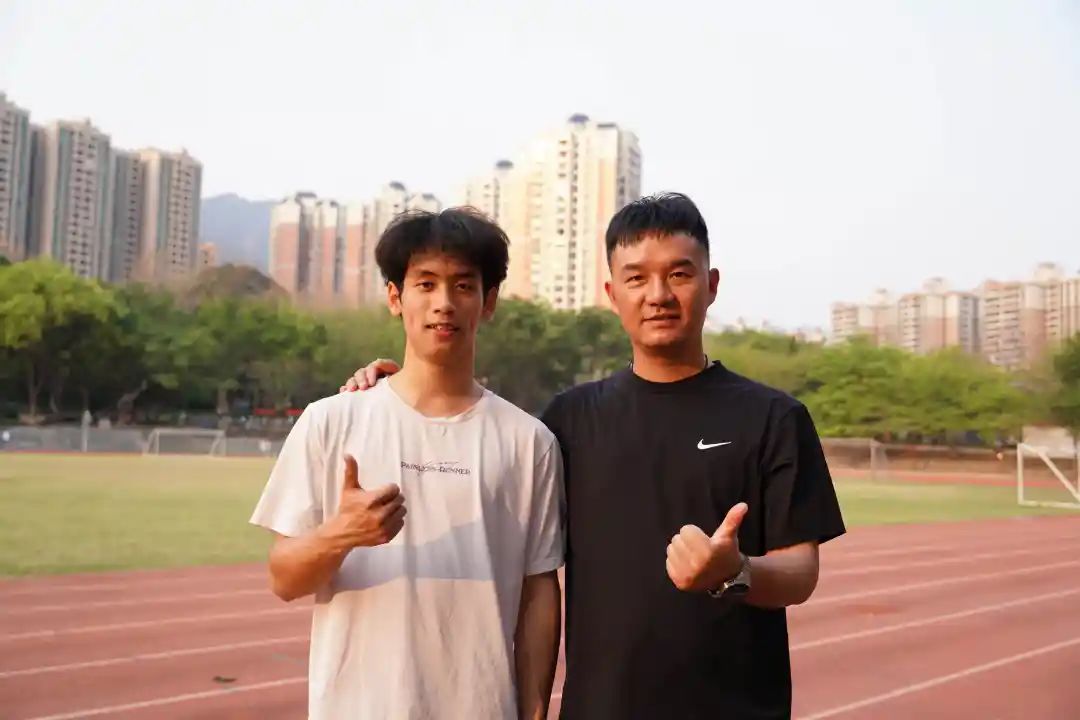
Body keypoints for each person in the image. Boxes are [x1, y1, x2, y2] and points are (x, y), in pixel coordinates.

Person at [345, 193, 846, 719]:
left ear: (711, 284)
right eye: (637, 278)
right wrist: (398, 384)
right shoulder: (567, 421)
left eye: (679, 274)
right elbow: (480, 468)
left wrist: (734, 571)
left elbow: (801, 570)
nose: (658, 295)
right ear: (612, 293)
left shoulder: (774, 418)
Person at [251, 208, 564, 719]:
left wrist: (533, 713)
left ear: (488, 302)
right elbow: (284, 579)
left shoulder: (530, 442)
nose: (444, 303)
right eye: (426, 283)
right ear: (396, 297)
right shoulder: (331, 421)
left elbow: (539, 594)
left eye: (463, 286)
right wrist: (341, 534)